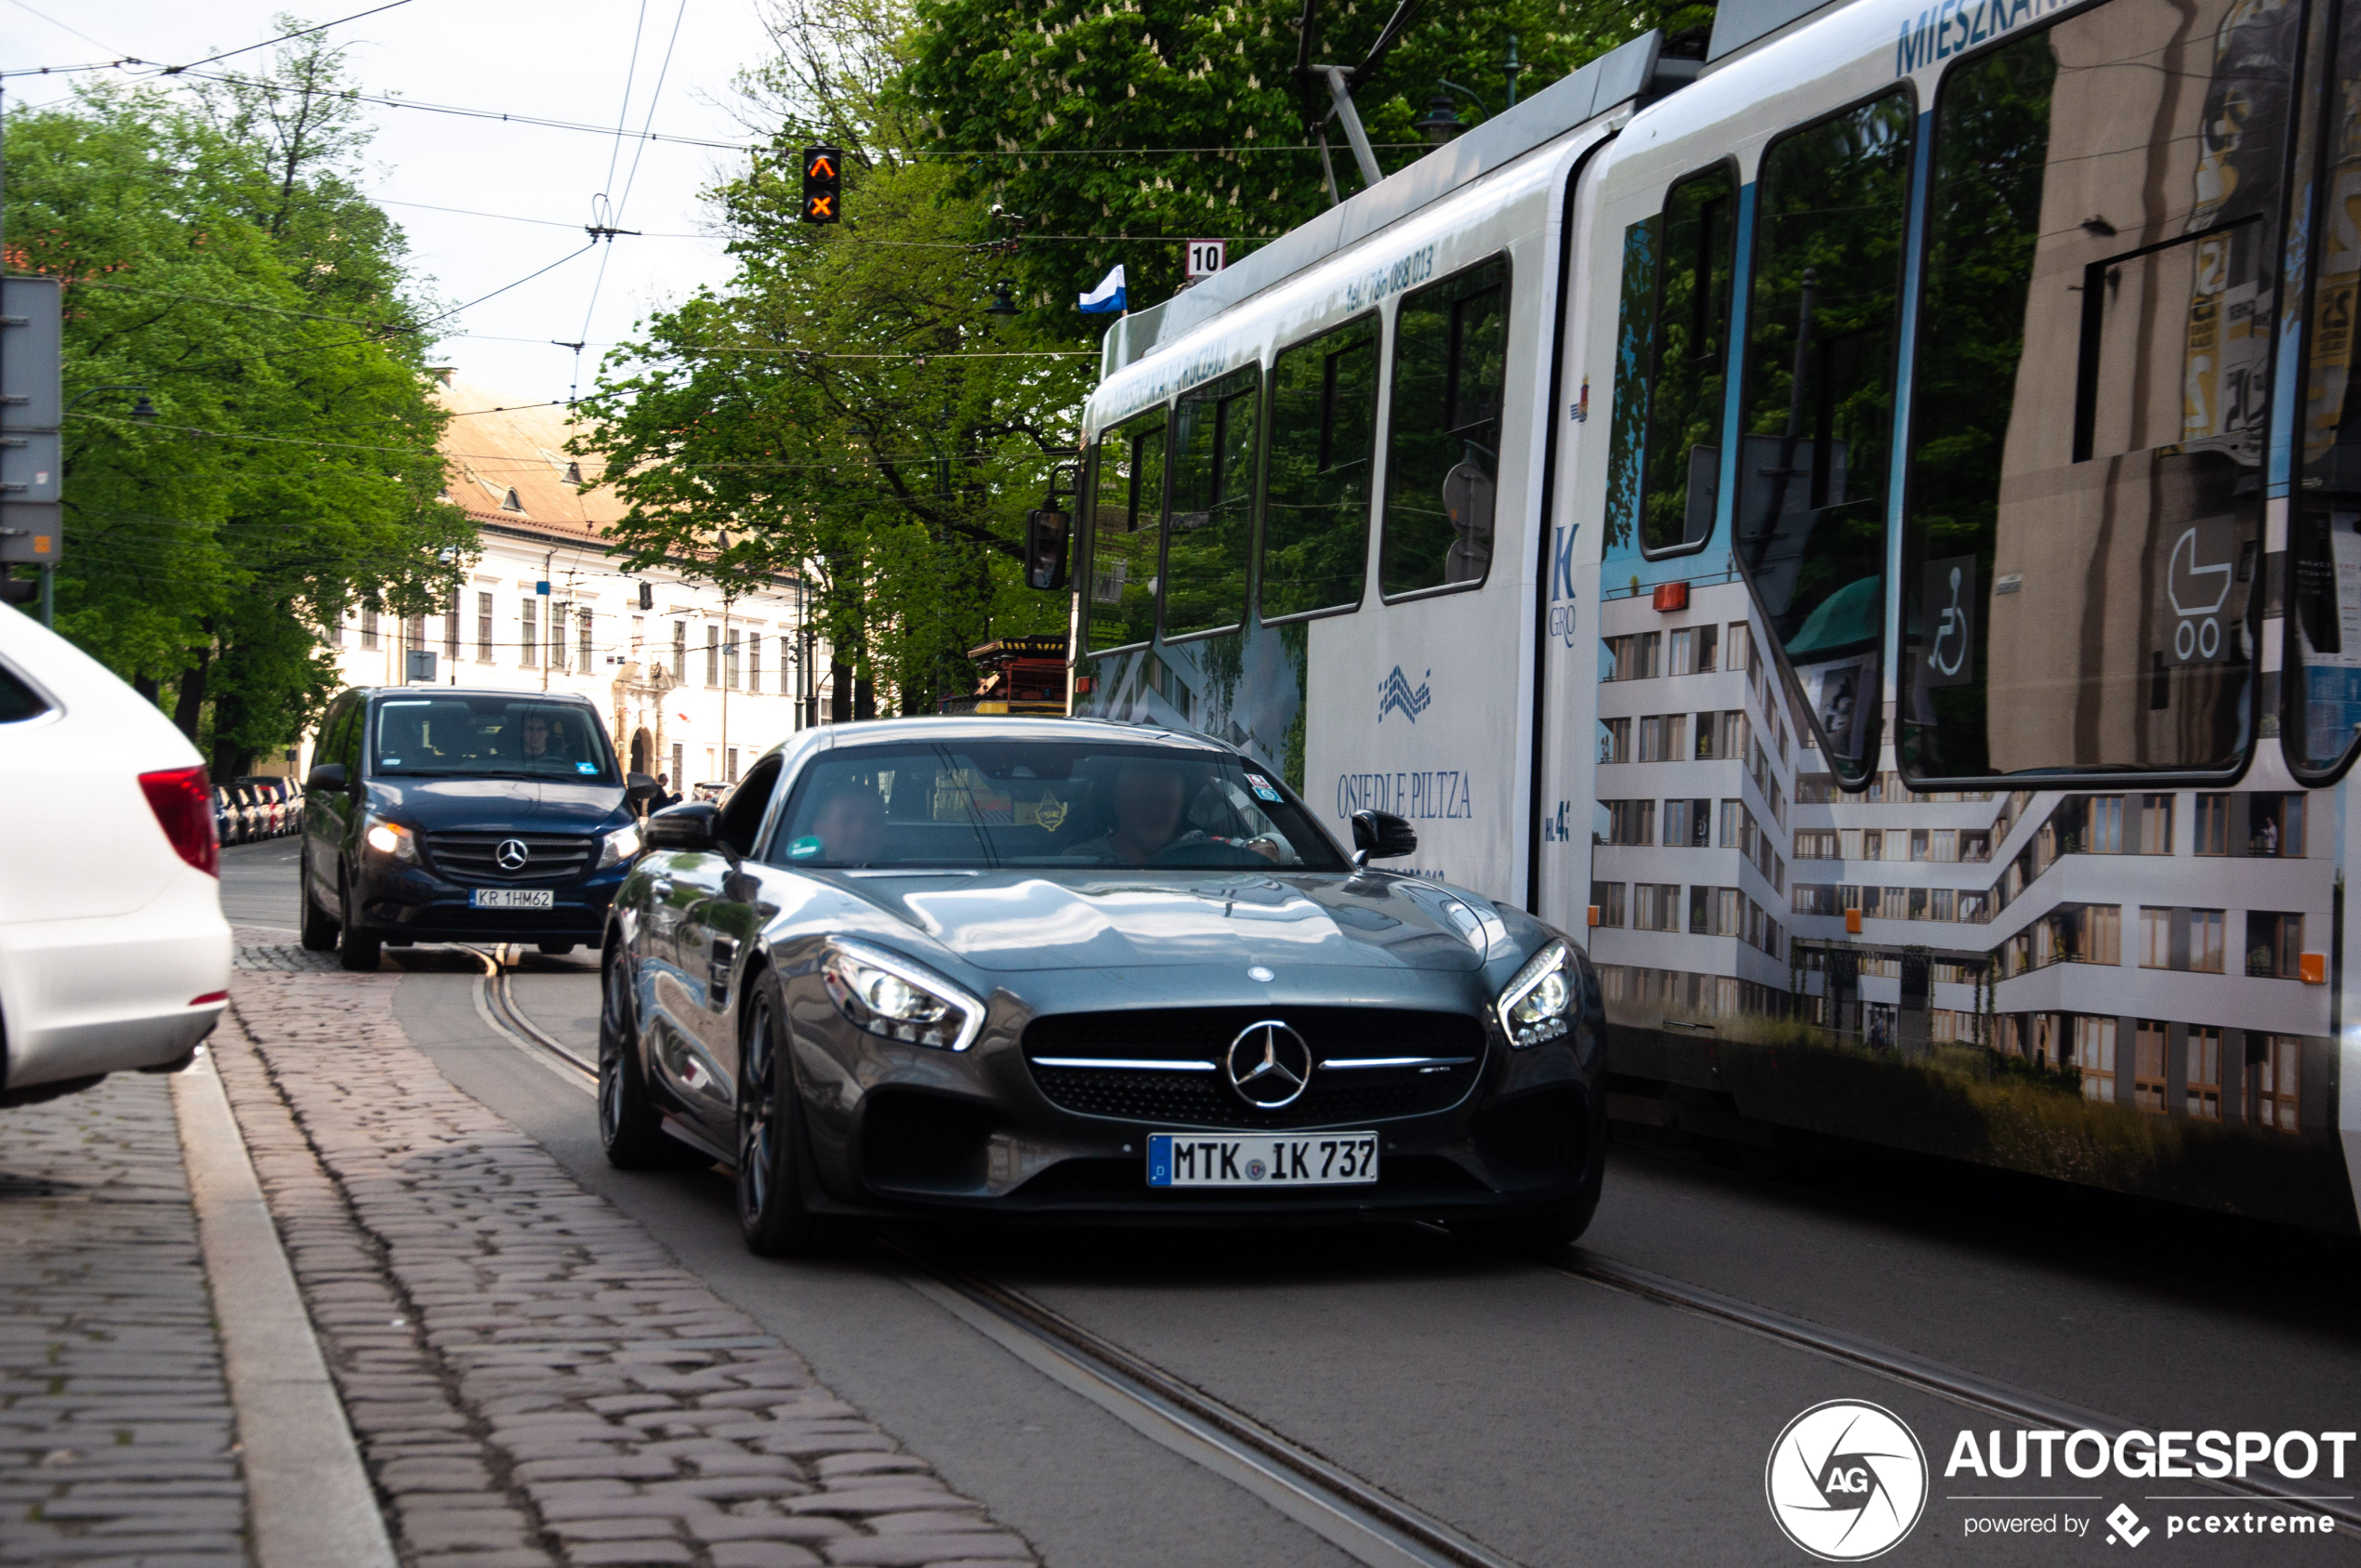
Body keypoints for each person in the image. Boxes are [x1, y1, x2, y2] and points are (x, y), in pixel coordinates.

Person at [1069, 763, 1279, 866]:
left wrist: (1266, 846)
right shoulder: (1080, 859)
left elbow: (1278, 847)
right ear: (1119, 804)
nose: (1157, 811)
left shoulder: (1196, 846)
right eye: (1145, 800)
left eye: (1168, 802)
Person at [807, 784, 887, 865]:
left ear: (884, 834)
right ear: (820, 831)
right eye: (846, 820)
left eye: (872, 822)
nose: (860, 829)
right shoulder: (797, 876)